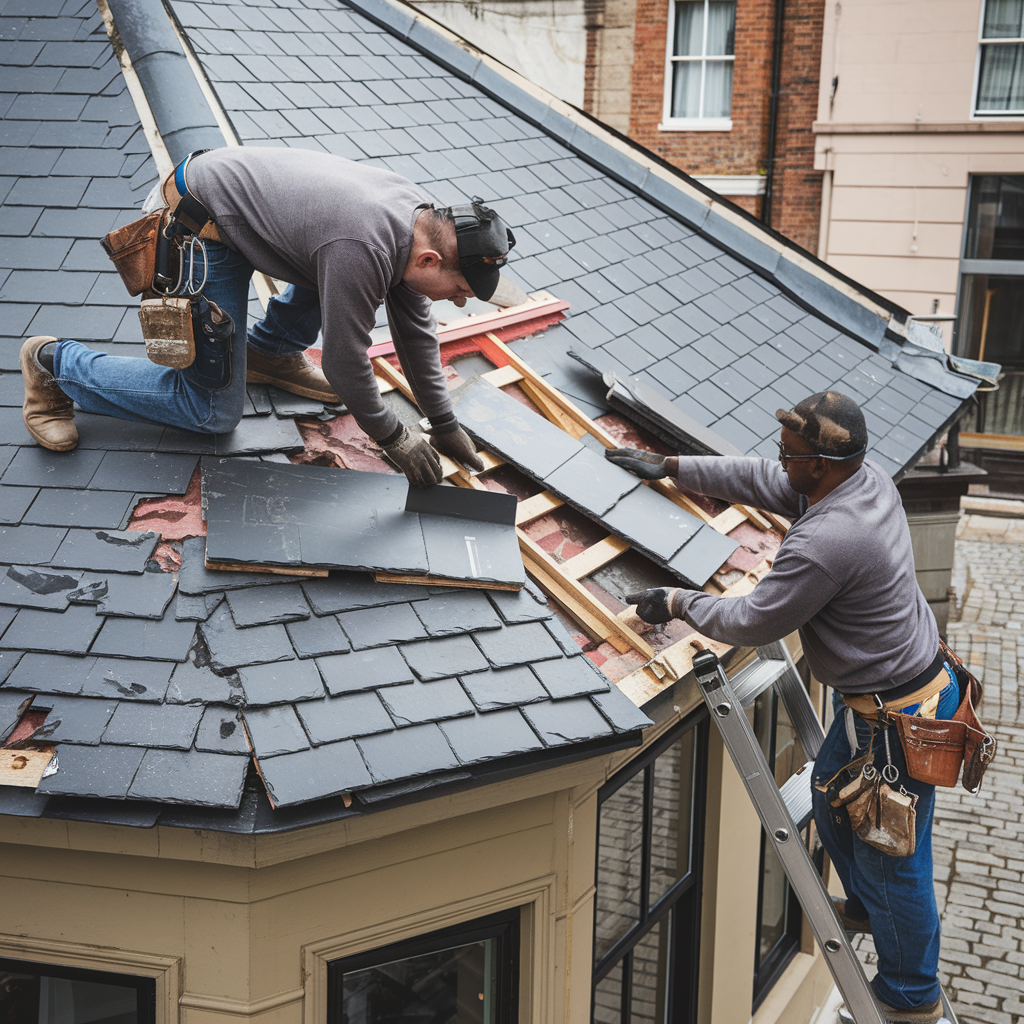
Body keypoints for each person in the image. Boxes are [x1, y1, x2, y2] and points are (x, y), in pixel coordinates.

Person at [607, 391, 957, 1024]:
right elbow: (759, 477)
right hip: (908, 692)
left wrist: (679, 602)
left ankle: (911, 995)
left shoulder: (828, 540)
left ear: (819, 465)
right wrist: (672, 467)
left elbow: (751, 618)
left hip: (897, 720)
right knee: (829, 795)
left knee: (893, 853)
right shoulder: (861, 480)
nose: (779, 461)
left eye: (790, 454)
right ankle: (868, 906)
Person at [21, 147, 516, 485]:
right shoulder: (364, 246)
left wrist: (443, 420)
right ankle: (54, 367)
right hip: (196, 225)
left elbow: (415, 335)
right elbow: (346, 364)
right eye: (460, 290)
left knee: (344, 277)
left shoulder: (416, 228)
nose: (457, 303)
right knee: (211, 412)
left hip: (237, 210)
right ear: (432, 261)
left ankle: (269, 352)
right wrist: (394, 436)